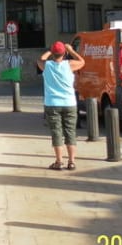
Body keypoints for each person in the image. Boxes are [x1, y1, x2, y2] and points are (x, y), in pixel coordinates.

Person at [37, 41, 84, 170]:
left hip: (52, 104)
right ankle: (72, 161)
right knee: (70, 132)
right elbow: (82, 61)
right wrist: (71, 50)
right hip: (69, 103)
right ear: (64, 53)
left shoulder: (46, 66)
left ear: (53, 54)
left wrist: (50, 51)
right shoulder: (70, 65)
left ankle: (58, 161)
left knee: (56, 133)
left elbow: (40, 59)